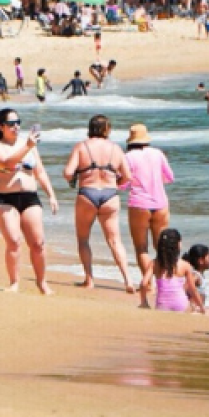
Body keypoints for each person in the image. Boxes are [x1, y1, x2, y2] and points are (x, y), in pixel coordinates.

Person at [0, 108, 56, 293]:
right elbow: (7, 162)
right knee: (14, 241)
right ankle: (14, 282)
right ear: (1, 127)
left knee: (38, 242)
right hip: (4, 198)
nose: (16, 126)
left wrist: (51, 195)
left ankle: (42, 282)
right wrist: (28, 146)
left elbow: (39, 172)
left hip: (29, 196)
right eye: (11, 124)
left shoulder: (28, 145)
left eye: (18, 123)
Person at [63, 114, 134, 292]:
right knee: (115, 241)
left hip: (87, 194)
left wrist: (74, 178)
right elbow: (128, 176)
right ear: (106, 130)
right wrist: (115, 183)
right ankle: (128, 280)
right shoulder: (116, 149)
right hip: (110, 195)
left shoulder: (82, 146)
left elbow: (67, 172)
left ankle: (89, 280)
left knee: (83, 239)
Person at [123, 124, 174, 307]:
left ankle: (149, 284)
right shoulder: (158, 153)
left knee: (141, 248)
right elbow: (170, 177)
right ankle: (166, 284)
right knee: (162, 247)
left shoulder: (128, 157)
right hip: (161, 203)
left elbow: (123, 183)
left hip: (139, 205)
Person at [138, 229, 205, 313]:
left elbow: (143, 283)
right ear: (178, 244)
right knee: (192, 310)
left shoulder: (154, 263)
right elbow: (192, 289)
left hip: (162, 305)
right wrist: (202, 308)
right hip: (181, 304)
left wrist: (144, 302)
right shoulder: (185, 265)